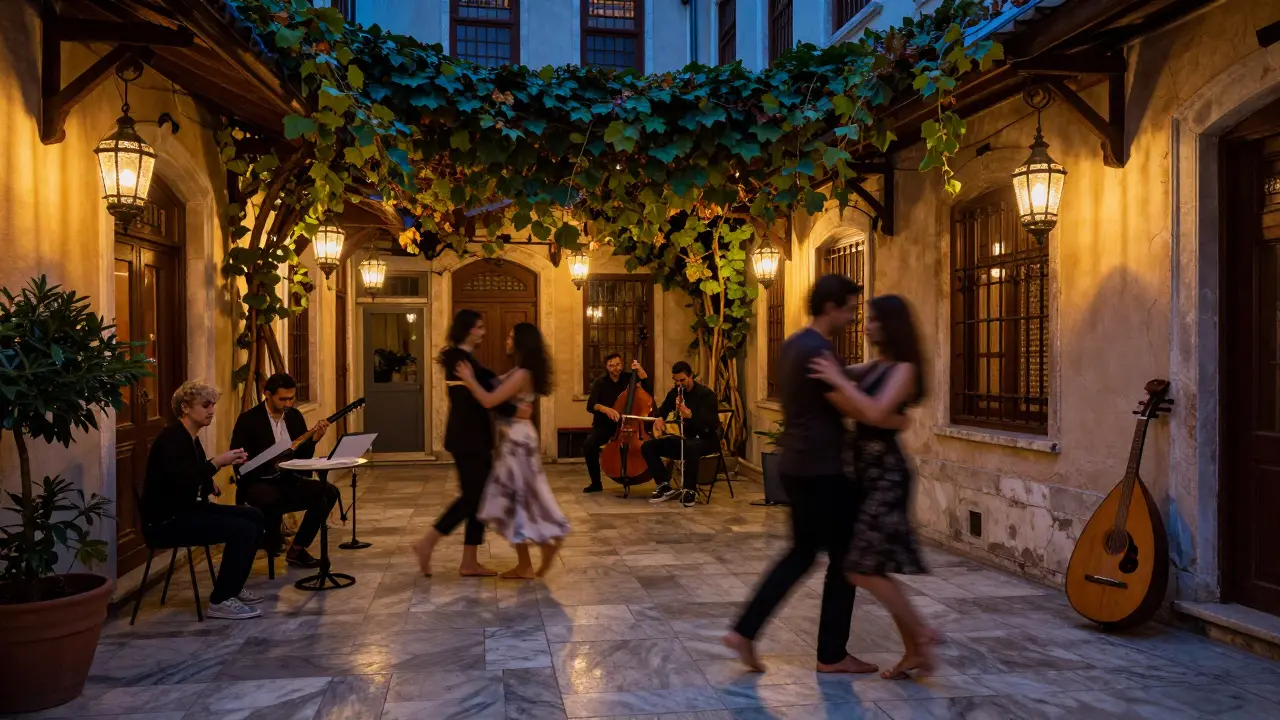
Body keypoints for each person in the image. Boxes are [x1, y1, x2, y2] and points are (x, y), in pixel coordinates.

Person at [723, 274, 888, 674]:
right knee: (846, 560)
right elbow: (853, 407)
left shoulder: (797, 344)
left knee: (800, 555)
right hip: (822, 470)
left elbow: (834, 380)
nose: (852, 317)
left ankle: (745, 631)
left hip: (795, 464)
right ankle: (832, 654)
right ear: (831, 306)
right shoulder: (819, 351)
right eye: (849, 307)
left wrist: (876, 366)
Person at [807, 294, 937, 680]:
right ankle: (914, 652)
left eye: (875, 319)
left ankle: (923, 633)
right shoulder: (878, 365)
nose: (867, 324)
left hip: (886, 475)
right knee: (874, 565)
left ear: (891, 325)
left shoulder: (904, 369)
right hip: (864, 474)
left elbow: (877, 410)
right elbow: (851, 392)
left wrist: (835, 379)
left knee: (861, 568)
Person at [412, 310, 527, 577]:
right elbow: (486, 396)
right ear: (467, 330)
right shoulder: (457, 359)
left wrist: (515, 378)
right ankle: (428, 542)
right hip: (467, 438)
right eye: (480, 327)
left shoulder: (468, 360)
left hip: (476, 437)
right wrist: (514, 410)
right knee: (475, 497)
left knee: (479, 498)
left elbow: (489, 384)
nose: (484, 332)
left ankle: (469, 561)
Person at [140, 381, 264, 620]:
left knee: (255, 515)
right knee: (243, 529)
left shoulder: (190, 438)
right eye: (206, 405)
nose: (212, 410)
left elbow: (194, 475)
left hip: (190, 511)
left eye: (213, 405)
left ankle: (233, 587)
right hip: (167, 521)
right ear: (185, 407)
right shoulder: (172, 437)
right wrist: (218, 462)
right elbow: (184, 481)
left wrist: (211, 482)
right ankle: (220, 600)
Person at [456, 323, 570, 578]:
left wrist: (469, 380)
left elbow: (489, 400)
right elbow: (494, 384)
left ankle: (542, 548)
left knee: (515, 501)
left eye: (510, 336)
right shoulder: (519, 372)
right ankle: (527, 562)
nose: (506, 339)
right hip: (516, 438)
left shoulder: (521, 374)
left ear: (521, 343)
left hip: (518, 441)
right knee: (516, 501)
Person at [230, 373, 338, 569]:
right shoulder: (249, 420)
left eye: (292, 398)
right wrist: (269, 461)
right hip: (258, 482)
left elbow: (302, 457)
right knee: (271, 500)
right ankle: (268, 540)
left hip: (288, 479)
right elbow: (238, 460)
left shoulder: (294, 416)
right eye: (283, 399)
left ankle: (297, 549)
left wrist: (314, 439)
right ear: (267, 394)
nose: (288, 403)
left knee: (328, 492)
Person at [642, 362, 721, 508]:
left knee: (691, 446)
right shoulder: (675, 393)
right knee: (648, 446)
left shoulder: (706, 395)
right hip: (685, 439)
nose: (679, 384)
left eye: (682, 380)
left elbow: (710, 426)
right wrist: (659, 418)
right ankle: (664, 486)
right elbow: (662, 410)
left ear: (691, 376)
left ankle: (690, 490)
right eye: (676, 381)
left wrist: (690, 415)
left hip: (705, 441)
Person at [582, 353, 650, 493]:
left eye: (618, 364)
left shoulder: (629, 378)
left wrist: (642, 374)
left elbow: (648, 391)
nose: (615, 368)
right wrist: (605, 409)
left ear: (622, 364)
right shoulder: (600, 382)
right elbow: (591, 405)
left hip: (630, 425)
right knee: (589, 445)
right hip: (606, 425)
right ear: (607, 367)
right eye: (611, 365)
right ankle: (596, 483)